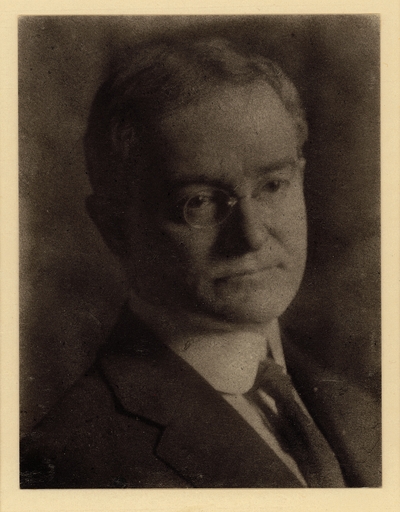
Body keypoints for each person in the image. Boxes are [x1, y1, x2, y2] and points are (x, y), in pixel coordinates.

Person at [20, 37, 381, 488]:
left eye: (272, 186)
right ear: (115, 227)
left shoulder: (360, 411)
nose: (250, 236)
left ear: (300, 178)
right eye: (200, 202)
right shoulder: (70, 462)